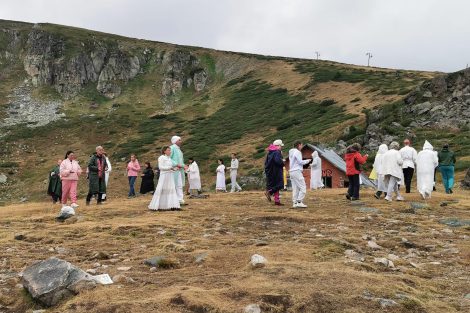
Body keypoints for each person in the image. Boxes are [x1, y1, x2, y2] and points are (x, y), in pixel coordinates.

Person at [148, 146, 181, 211]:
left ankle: (173, 205)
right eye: (168, 150)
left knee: (171, 189)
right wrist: (170, 168)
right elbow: (160, 167)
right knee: (162, 189)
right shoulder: (161, 157)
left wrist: (174, 169)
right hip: (164, 176)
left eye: (170, 150)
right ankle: (158, 205)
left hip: (170, 176)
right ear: (164, 151)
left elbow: (169, 168)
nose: (170, 151)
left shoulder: (169, 158)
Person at [289, 141, 311, 208]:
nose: (302, 146)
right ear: (299, 145)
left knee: (295, 188)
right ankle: (299, 201)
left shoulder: (291, 152)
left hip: (292, 171)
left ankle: (295, 203)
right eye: (301, 145)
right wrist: (308, 160)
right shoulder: (298, 152)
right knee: (303, 187)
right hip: (297, 171)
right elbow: (300, 162)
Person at [264, 139, 285, 205]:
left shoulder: (270, 152)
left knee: (275, 185)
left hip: (270, 171)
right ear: (278, 146)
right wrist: (283, 162)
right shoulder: (277, 152)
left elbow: (266, 163)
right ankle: (269, 192)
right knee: (279, 184)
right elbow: (278, 161)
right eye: (281, 146)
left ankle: (277, 201)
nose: (281, 147)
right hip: (276, 171)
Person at [170, 136, 185, 205]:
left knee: (179, 184)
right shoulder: (172, 148)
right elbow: (169, 158)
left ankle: (180, 199)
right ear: (175, 141)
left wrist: (184, 165)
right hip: (174, 170)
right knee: (174, 184)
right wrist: (176, 164)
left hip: (180, 170)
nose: (180, 141)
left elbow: (180, 161)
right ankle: (174, 199)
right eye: (179, 140)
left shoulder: (179, 149)